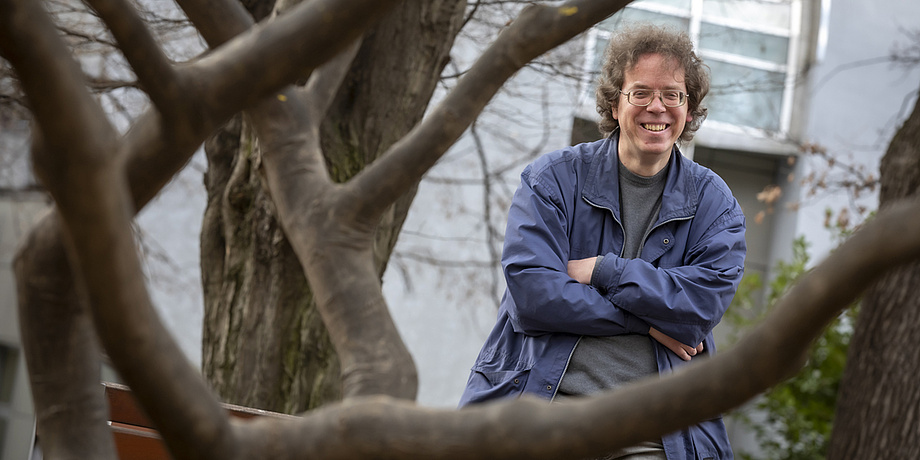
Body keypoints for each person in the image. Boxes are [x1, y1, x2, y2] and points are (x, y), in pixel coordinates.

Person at [458, 23, 746, 460]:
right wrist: (646, 321)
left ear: (689, 109)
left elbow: (700, 310)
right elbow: (534, 295)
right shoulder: (553, 179)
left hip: (652, 429)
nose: (658, 107)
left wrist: (603, 270)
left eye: (673, 94)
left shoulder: (714, 203)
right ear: (615, 103)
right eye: (641, 93)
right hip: (543, 406)